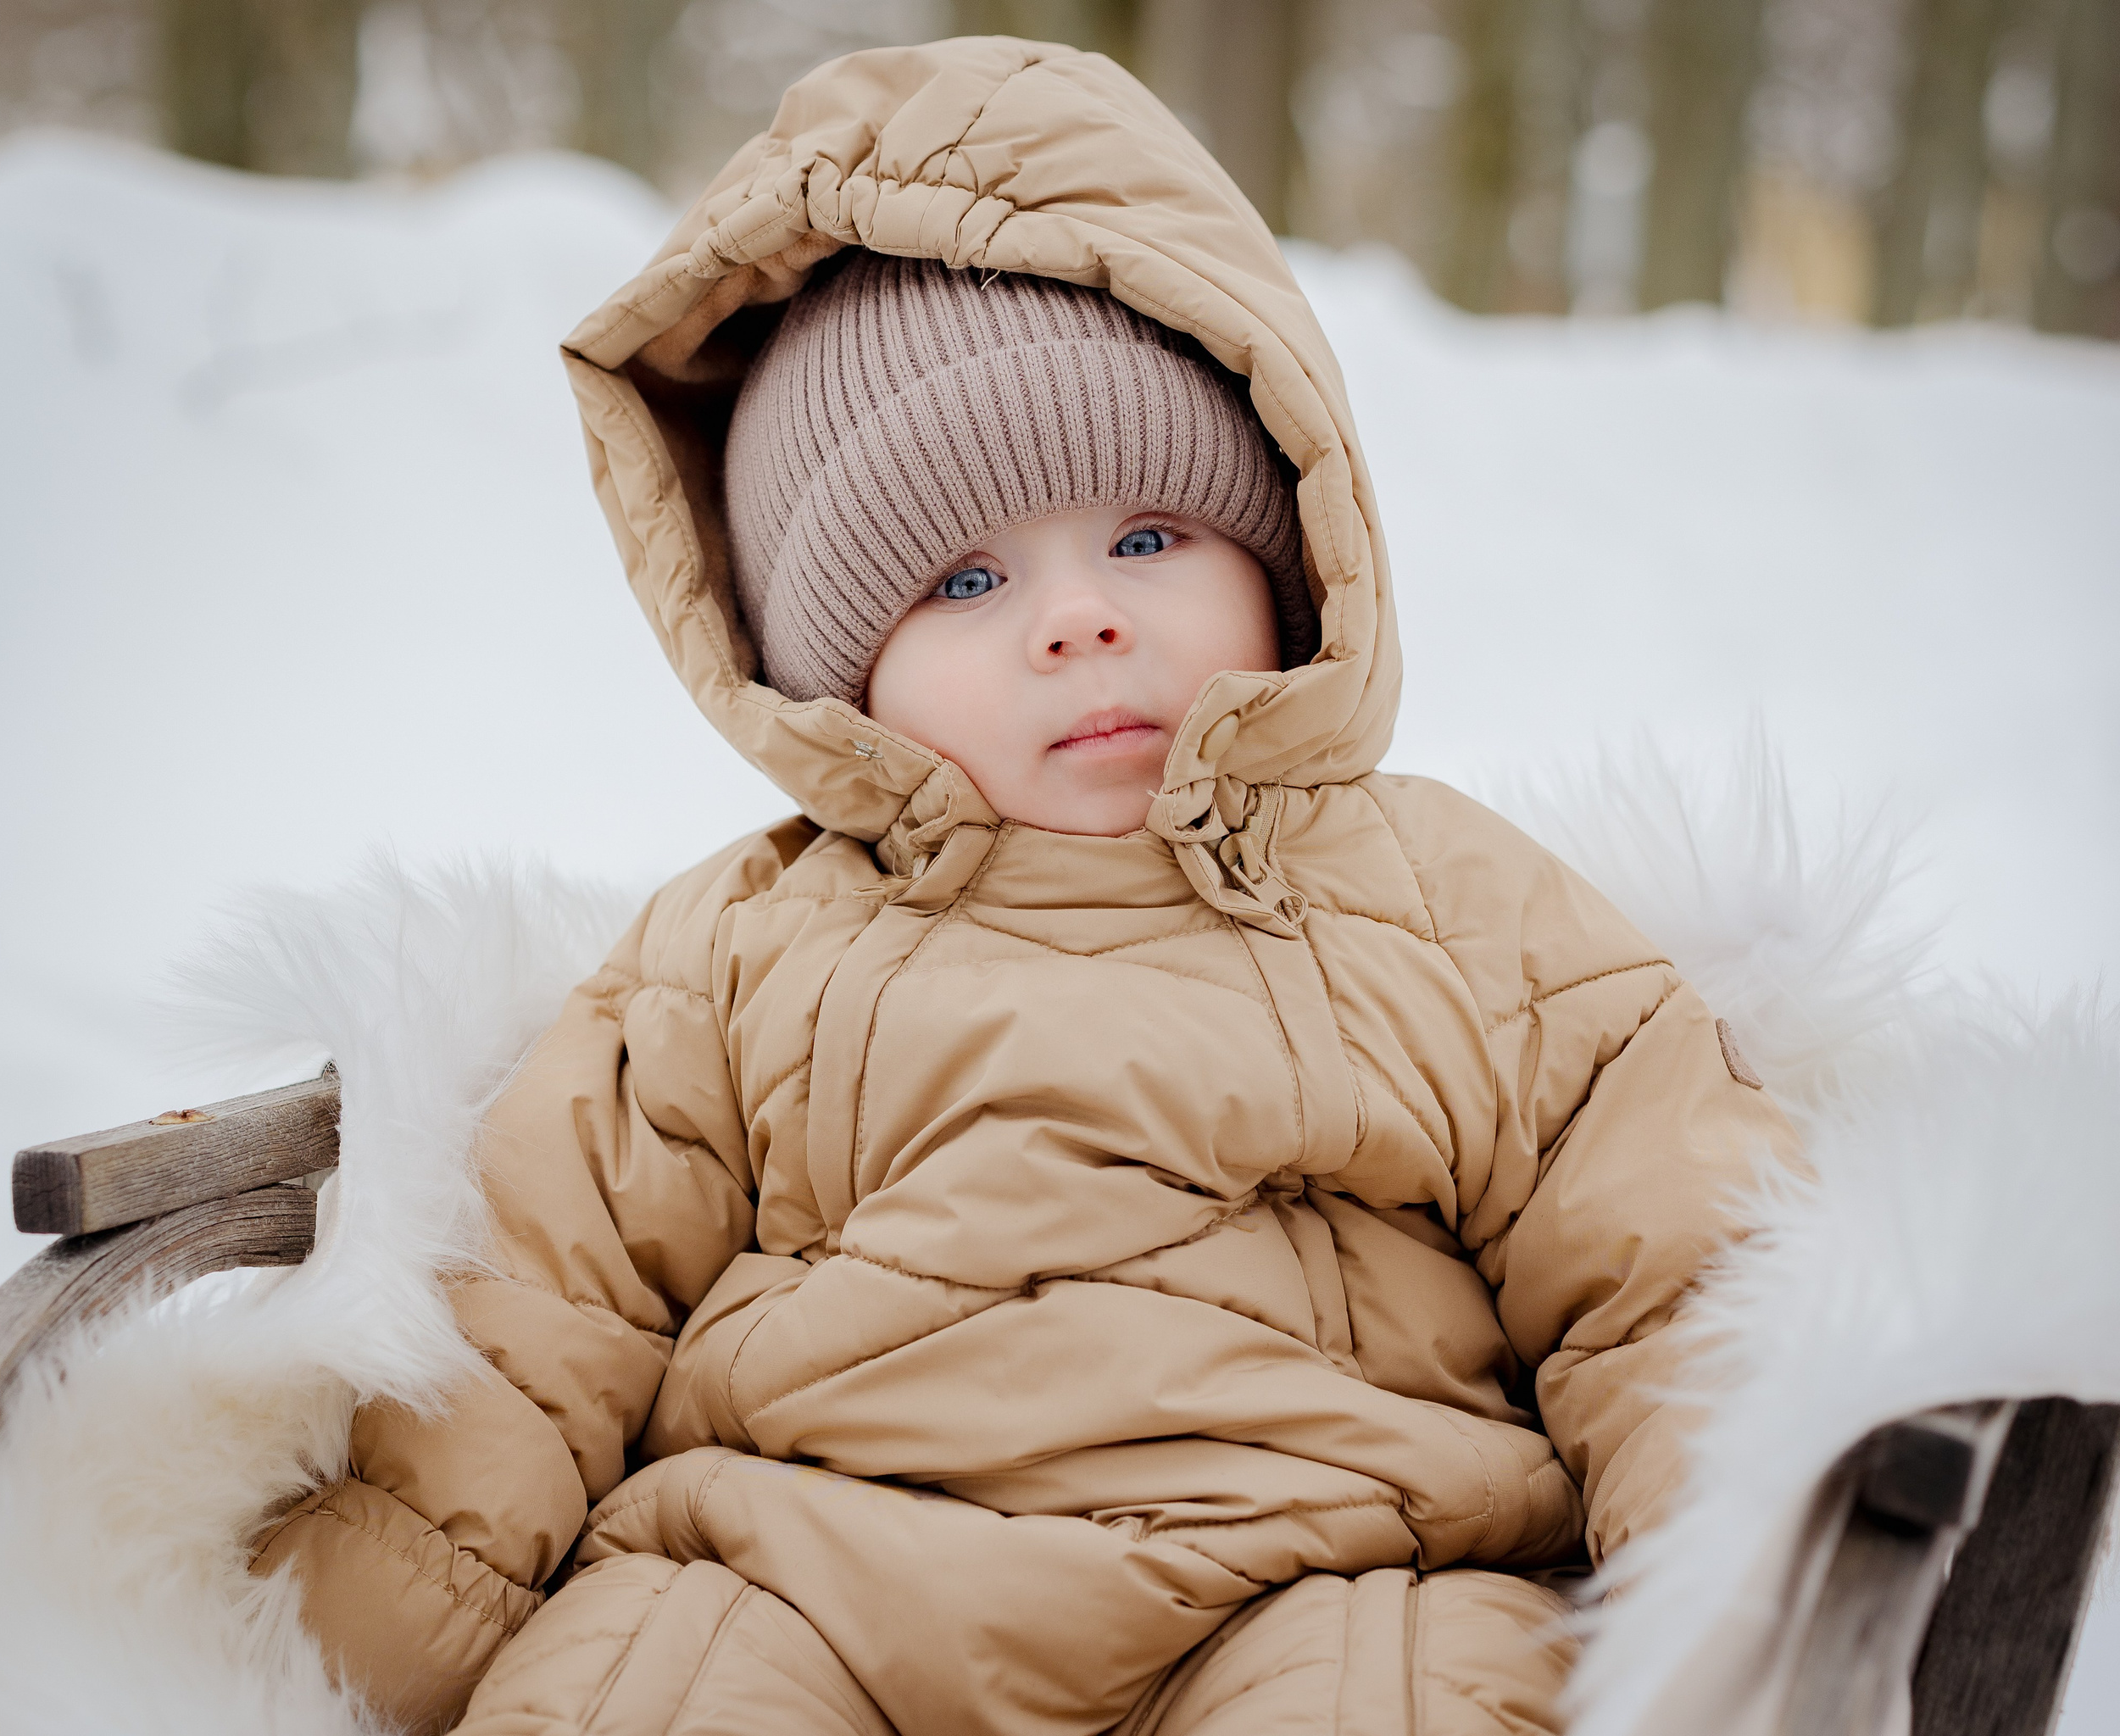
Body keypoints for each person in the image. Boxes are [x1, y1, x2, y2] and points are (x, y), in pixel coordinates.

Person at [252, 36, 1793, 1736]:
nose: (1078, 618)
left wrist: (1743, 1565)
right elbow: (544, 1297)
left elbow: (1665, 1251)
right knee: (650, 1686)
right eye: (966, 578)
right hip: (800, 1572)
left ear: (1285, 552)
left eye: (1147, 537)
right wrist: (368, 1612)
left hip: (1335, 1560)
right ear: (834, 678)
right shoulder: (738, 947)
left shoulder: (1453, 903)